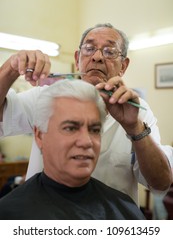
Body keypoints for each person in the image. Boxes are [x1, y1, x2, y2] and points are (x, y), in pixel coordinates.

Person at [0, 23, 172, 205]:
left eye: (109, 51)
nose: (97, 57)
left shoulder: (138, 112)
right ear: (77, 58)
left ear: (123, 65)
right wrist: (10, 69)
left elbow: (161, 183)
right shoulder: (46, 98)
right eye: (89, 49)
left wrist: (134, 128)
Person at [0, 79, 145, 220]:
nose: (86, 141)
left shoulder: (125, 210)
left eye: (94, 130)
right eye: (70, 128)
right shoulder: (9, 215)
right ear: (39, 136)